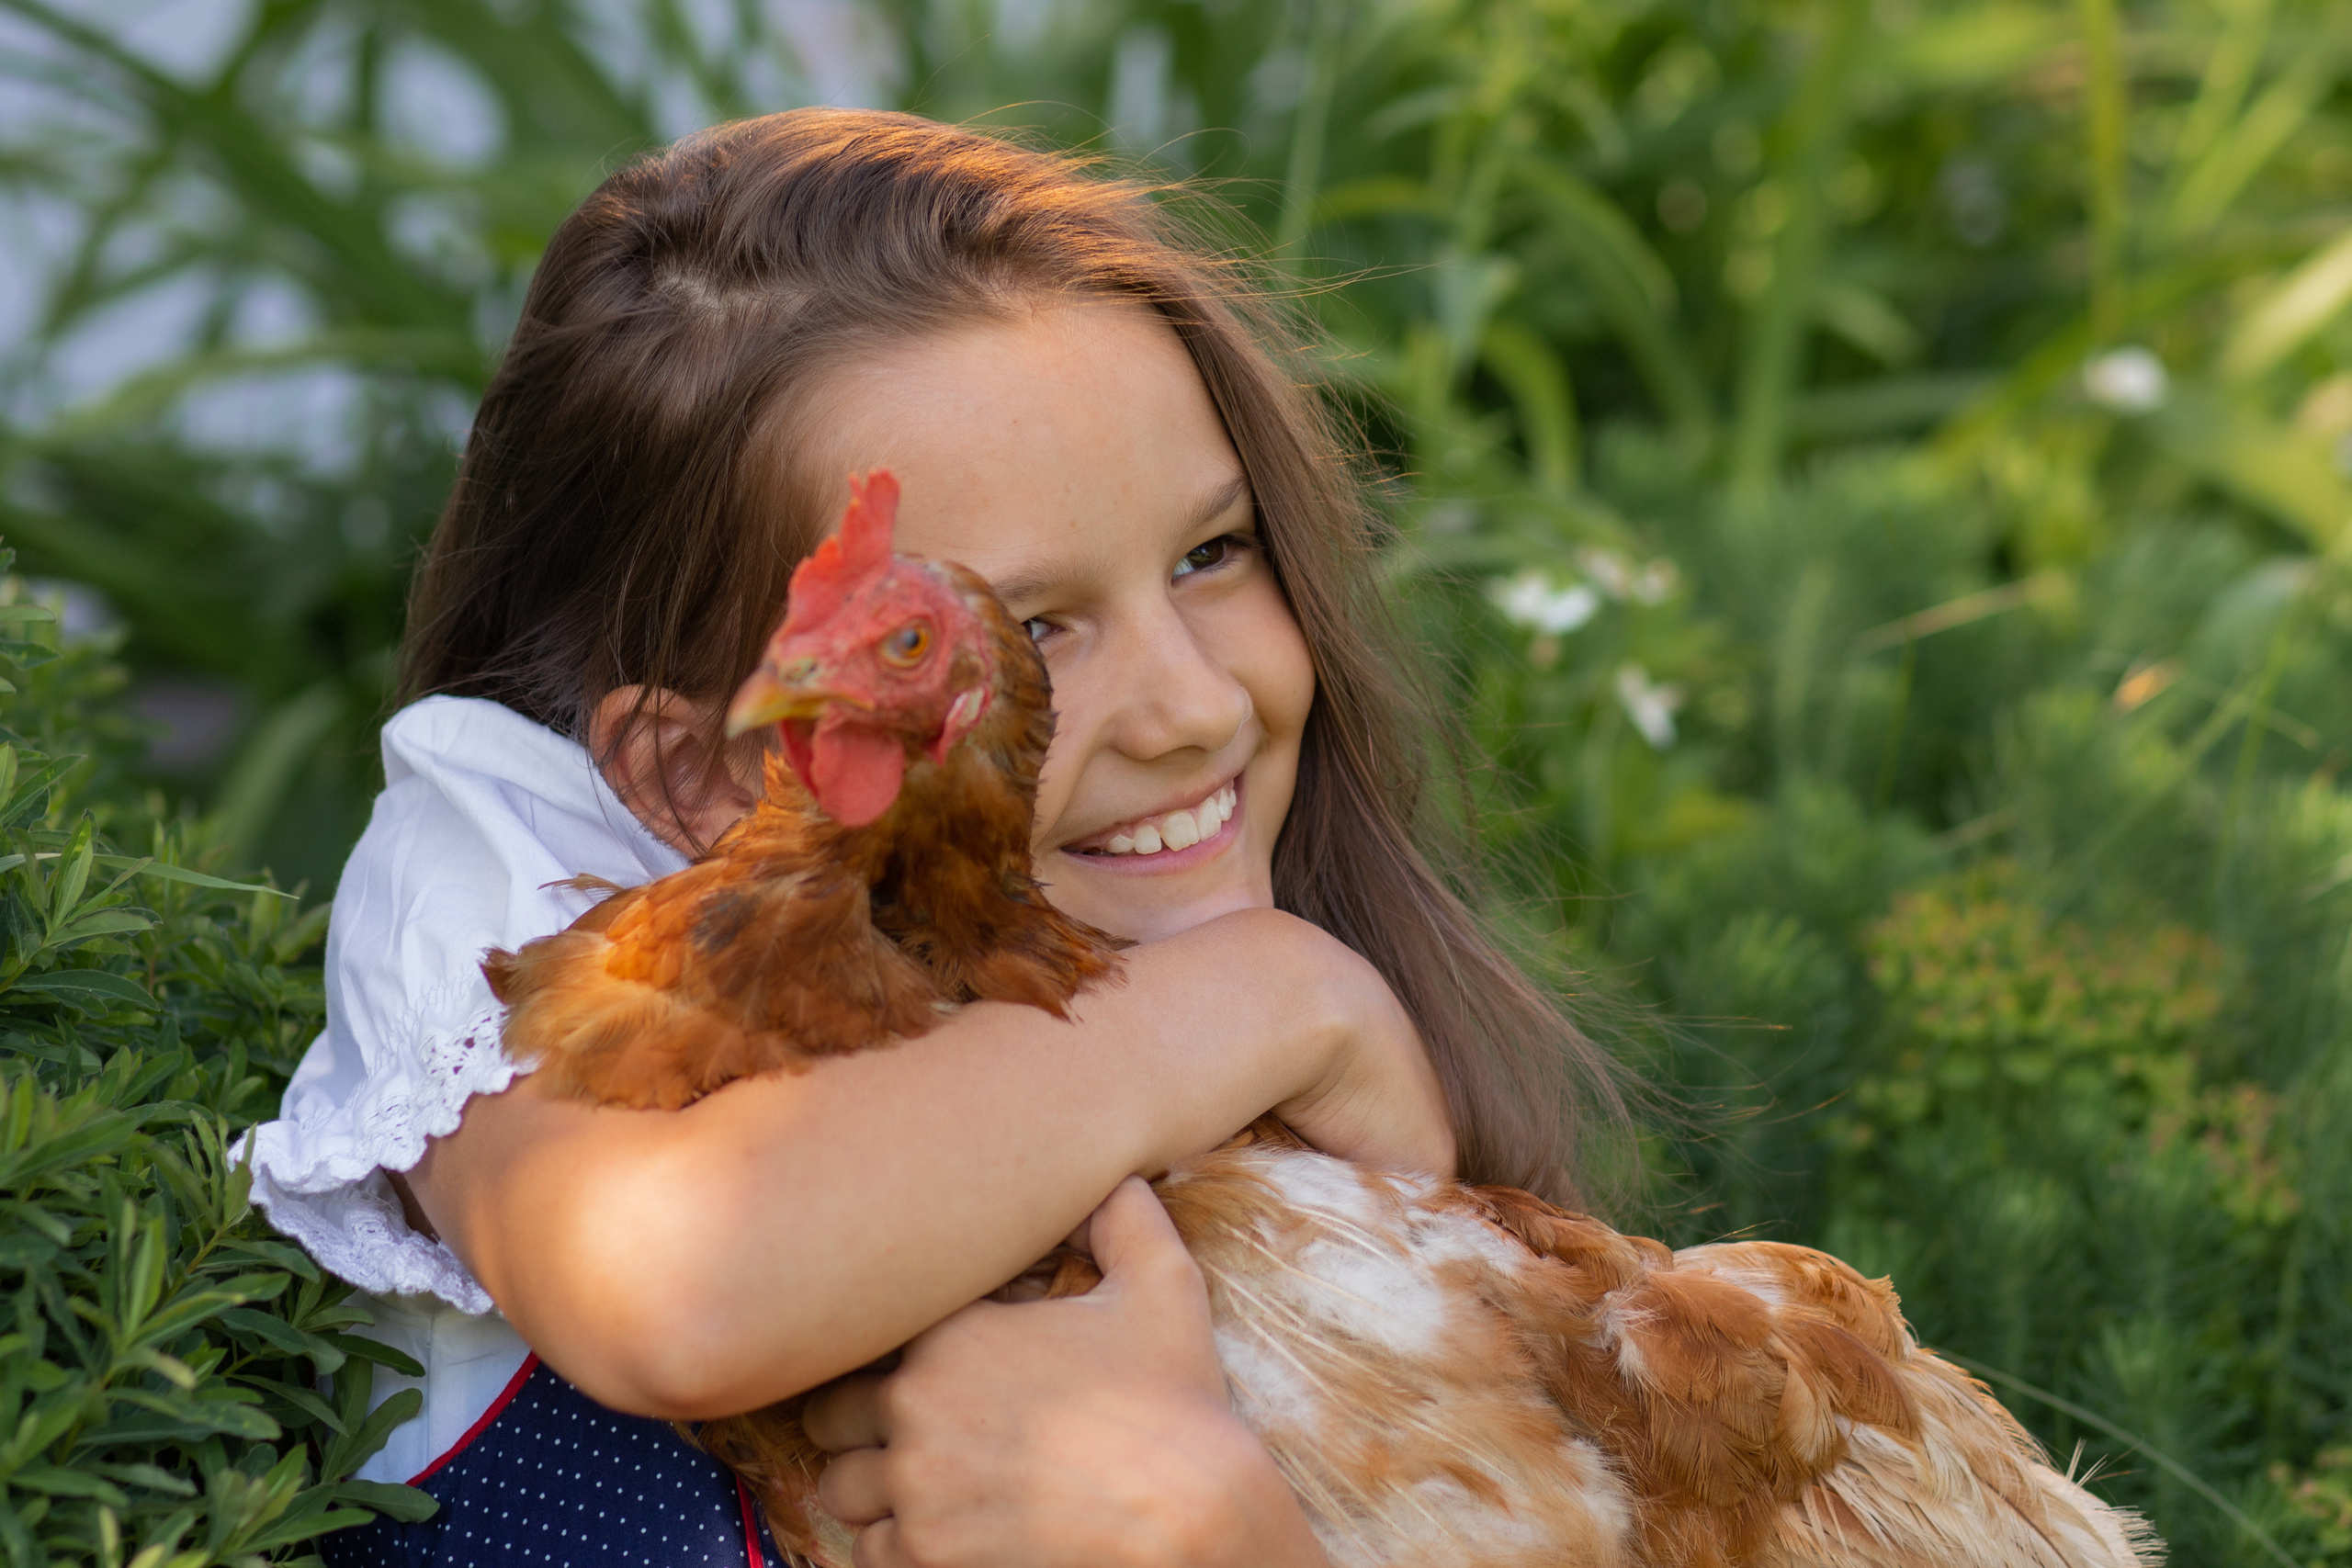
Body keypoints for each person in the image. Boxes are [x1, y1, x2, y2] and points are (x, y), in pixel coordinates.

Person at [240, 107, 1623, 1568]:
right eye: (1032, 629)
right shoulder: (526, 855)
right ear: (695, 774)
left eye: (1212, 554)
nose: (1196, 707)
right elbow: (681, 1288)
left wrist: (1213, 1533)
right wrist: (1277, 998)